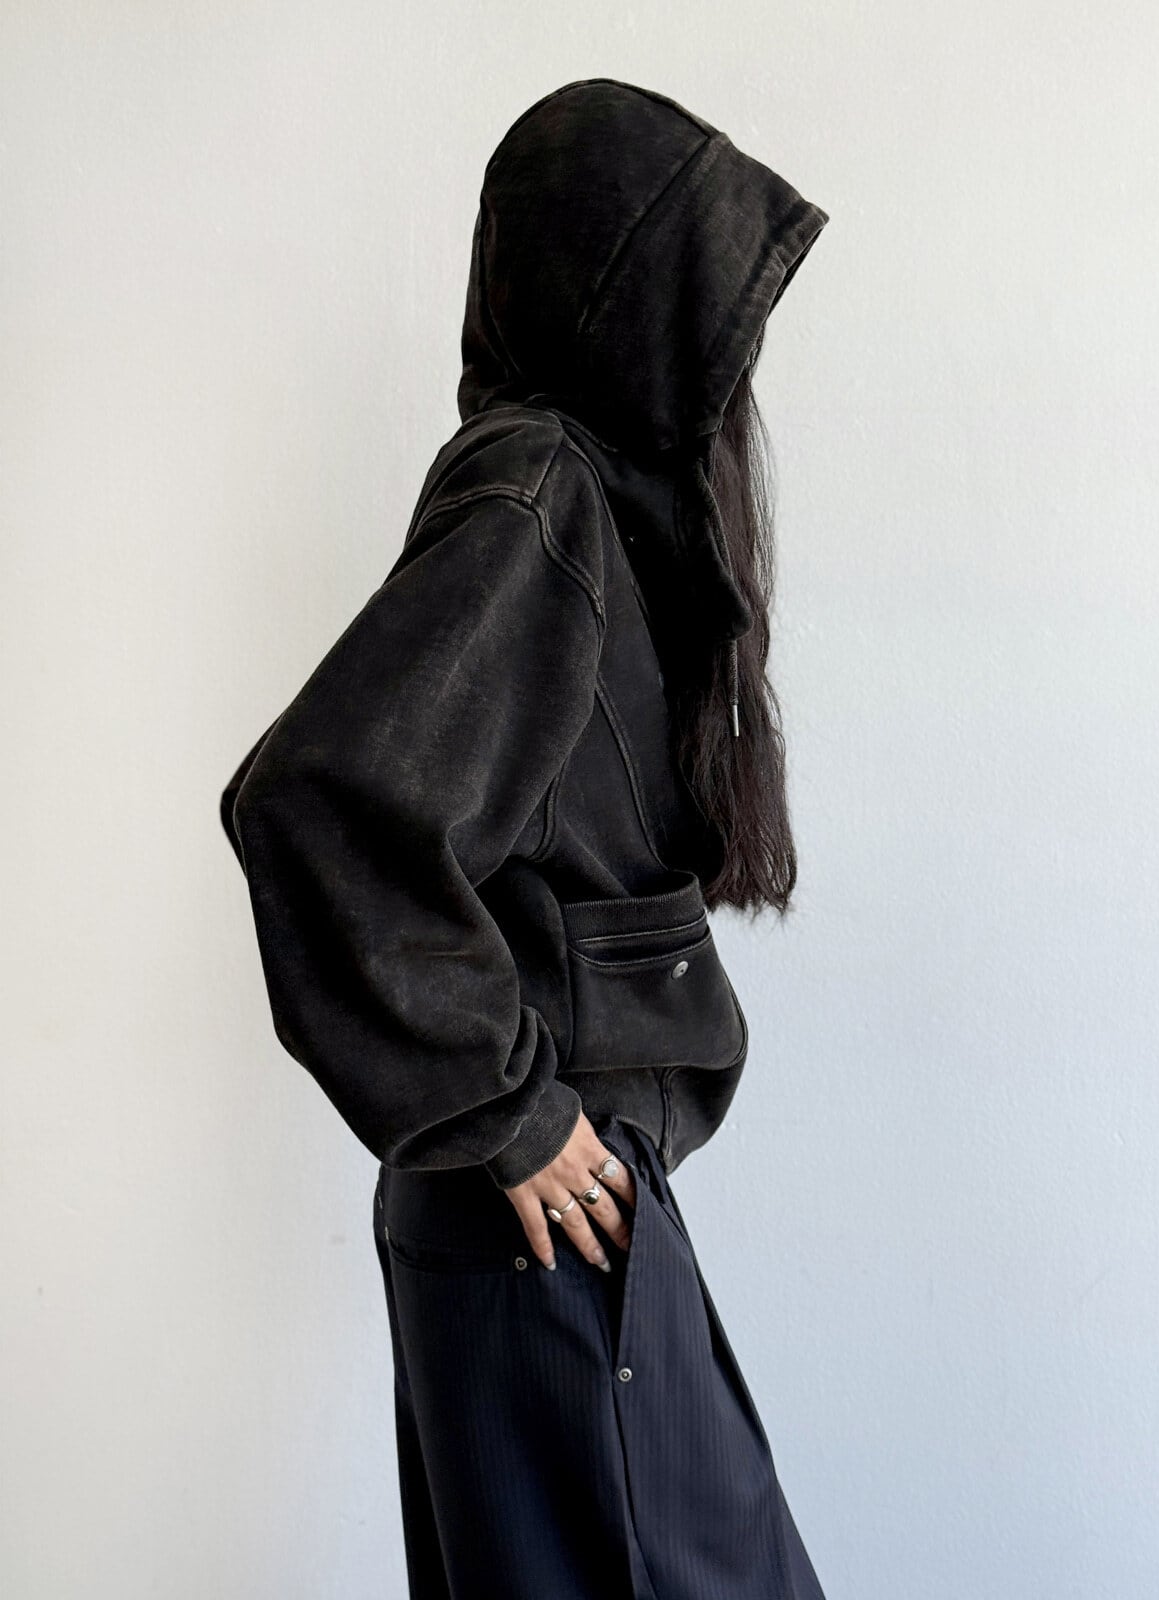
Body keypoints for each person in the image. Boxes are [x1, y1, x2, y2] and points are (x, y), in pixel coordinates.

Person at [220, 76, 829, 1600]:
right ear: (619, 295)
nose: (732, 365)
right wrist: (510, 1110)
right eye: (703, 308)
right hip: (545, 1218)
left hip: (540, 1224)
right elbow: (316, 800)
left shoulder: (575, 496)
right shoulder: (540, 488)